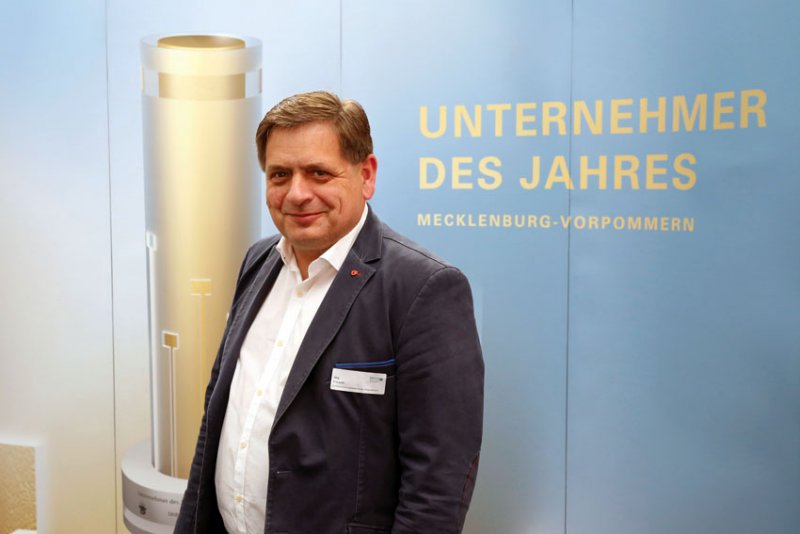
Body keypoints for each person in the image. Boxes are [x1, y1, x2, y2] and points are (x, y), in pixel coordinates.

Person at [175, 91, 484, 534]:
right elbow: (218, 420)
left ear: (366, 175)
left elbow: (438, 484)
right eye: (280, 174)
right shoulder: (258, 263)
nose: (297, 193)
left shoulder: (424, 289)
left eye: (319, 173)